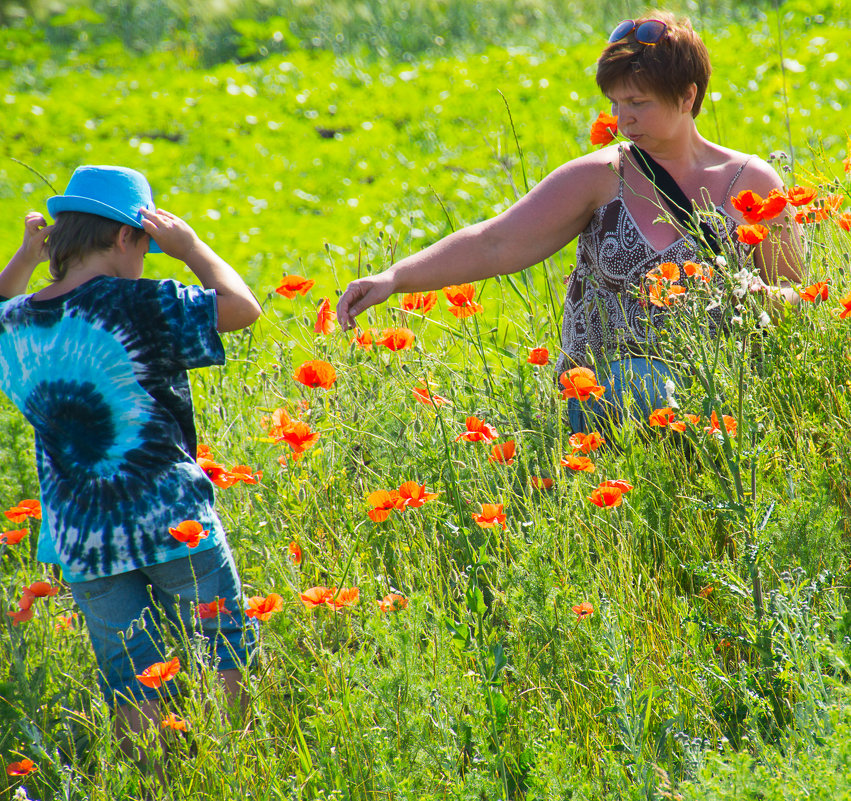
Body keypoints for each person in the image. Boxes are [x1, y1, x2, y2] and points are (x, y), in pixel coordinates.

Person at [336, 12, 802, 432]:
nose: (623, 120)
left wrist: (756, 296)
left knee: (700, 402)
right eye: (616, 104)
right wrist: (394, 278)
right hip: (605, 396)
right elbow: (496, 243)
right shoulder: (601, 177)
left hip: (726, 405)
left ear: (687, 96)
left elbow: (796, 303)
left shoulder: (754, 184)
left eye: (638, 103)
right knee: (647, 384)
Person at [0, 165, 262, 768]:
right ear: (127, 237)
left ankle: (151, 782)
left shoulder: (18, 323)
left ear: (60, 241)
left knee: (133, 679)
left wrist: (26, 256)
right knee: (223, 653)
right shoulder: (139, 303)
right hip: (173, 522)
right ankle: (234, 771)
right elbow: (242, 307)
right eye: (146, 241)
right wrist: (191, 247)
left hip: (82, 539)